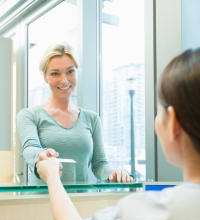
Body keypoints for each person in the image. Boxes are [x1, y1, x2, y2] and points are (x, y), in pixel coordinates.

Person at [36, 47, 200, 220]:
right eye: (55, 73)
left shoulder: (138, 217)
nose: (64, 79)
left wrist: (51, 176)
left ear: (173, 123)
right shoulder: (33, 115)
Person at [17, 43, 133, 185]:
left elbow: (100, 164)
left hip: (79, 203)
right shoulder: (29, 115)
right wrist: (40, 155)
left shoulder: (92, 119)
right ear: (45, 77)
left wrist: (113, 172)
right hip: (39, 205)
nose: (64, 80)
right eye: (55, 73)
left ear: (77, 71)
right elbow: (30, 148)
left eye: (70, 71)